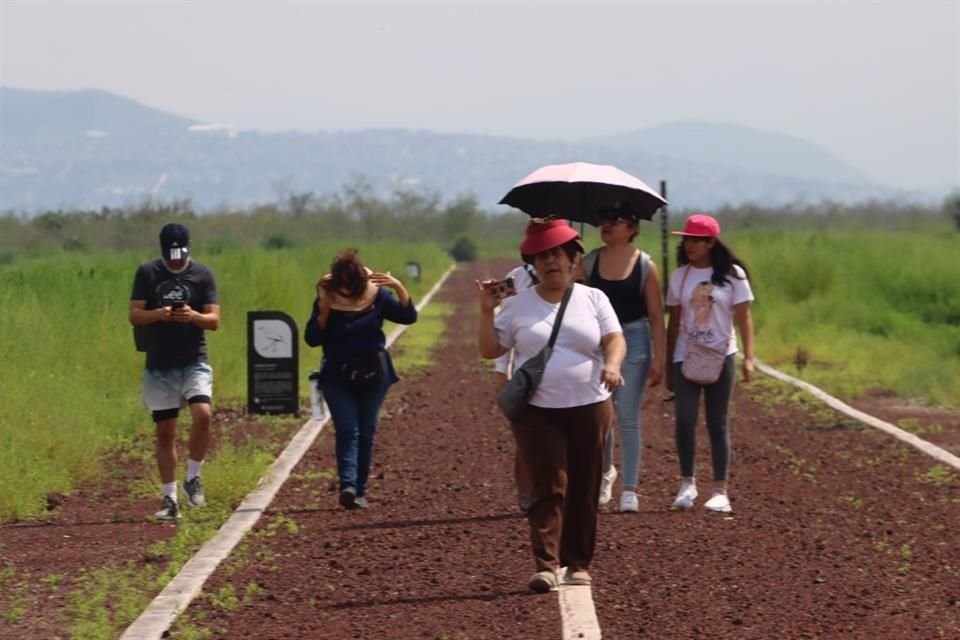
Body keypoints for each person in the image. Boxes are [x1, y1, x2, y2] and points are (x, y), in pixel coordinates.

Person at [477, 219, 626, 593]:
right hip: (538, 410)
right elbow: (490, 350)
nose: (551, 263)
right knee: (548, 485)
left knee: (585, 485)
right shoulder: (517, 305)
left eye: (558, 254)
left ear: (574, 260)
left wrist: (611, 364)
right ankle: (546, 564)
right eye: (542, 257)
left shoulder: (594, 299)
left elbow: (615, 338)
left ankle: (578, 563)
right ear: (533, 265)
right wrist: (484, 312)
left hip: (590, 405)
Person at [304, 248, 417, 510]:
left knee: (366, 432)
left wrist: (398, 286)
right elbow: (312, 338)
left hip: (373, 374)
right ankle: (348, 485)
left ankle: (361, 490)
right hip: (336, 375)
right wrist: (323, 313)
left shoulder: (378, 297)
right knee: (347, 430)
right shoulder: (326, 299)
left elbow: (408, 317)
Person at [129, 223, 221, 522]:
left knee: (203, 414)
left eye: (180, 255)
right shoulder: (147, 273)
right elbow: (134, 314)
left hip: (194, 358)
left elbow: (214, 320)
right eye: (171, 256)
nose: (176, 261)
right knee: (165, 431)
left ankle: (193, 476)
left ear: (189, 246)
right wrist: (159, 314)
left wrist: (193, 316)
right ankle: (169, 498)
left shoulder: (203, 275)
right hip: (159, 363)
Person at [665, 213, 755, 513]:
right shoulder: (680, 276)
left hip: (722, 354)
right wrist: (667, 363)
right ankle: (687, 482)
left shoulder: (733, 276)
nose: (690, 244)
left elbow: (744, 318)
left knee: (717, 422)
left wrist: (749, 358)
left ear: (711, 242)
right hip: (685, 354)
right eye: (686, 239)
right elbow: (674, 321)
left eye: (696, 240)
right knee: (685, 419)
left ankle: (720, 490)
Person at [583, 202, 666, 513]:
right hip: (598, 342)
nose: (607, 224)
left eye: (615, 220)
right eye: (603, 218)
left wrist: (659, 358)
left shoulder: (645, 266)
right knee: (600, 417)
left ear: (632, 228)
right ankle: (605, 474)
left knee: (628, 416)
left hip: (635, 341)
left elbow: (656, 315)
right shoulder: (589, 262)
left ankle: (629, 489)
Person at [491, 262, 539, 514]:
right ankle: (526, 493)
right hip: (526, 372)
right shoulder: (513, 278)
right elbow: (503, 323)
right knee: (526, 438)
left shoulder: (578, 276)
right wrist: (501, 369)